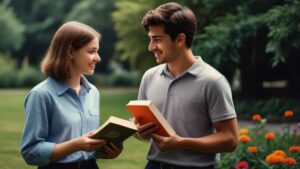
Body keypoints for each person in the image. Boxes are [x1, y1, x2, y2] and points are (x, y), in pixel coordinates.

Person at [135, 2, 239, 169]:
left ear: (180, 39)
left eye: (157, 40)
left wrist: (181, 143)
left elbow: (230, 140)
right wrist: (140, 132)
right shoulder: (149, 76)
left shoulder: (213, 81)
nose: (151, 47)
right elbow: (142, 134)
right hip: (153, 165)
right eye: (151, 39)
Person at [20, 21, 123, 169]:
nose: (98, 58)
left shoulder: (93, 92)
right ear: (70, 52)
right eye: (91, 51)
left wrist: (107, 151)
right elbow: (30, 153)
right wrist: (75, 145)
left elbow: (87, 147)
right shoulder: (40, 95)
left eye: (97, 51)